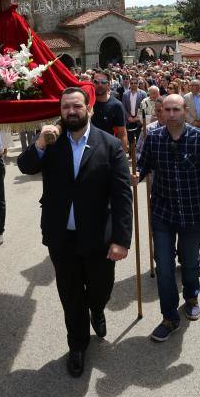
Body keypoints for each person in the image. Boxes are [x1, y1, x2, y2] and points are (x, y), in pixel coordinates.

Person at [18, 87, 132, 377]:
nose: (71, 111)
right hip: (62, 237)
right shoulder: (51, 143)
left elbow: (121, 196)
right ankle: (77, 345)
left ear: (88, 109)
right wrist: (40, 143)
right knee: (70, 295)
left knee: (100, 288)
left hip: (98, 237)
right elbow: (26, 166)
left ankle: (97, 308)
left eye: (76, 106)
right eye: (66, 107)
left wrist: (121, 240)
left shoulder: (109, 145)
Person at [136, 94, 200, 341]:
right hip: (162, 213)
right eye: (167, 110)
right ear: (161, 112)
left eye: (176, 109)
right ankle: (170, 317)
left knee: (191, 262)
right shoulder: (153, 138)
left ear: (185, 110)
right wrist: (136, 176)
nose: (171, 114)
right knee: (163, 266)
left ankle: (192, 296)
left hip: (193, 213)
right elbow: (143, 165)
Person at [91, 69, 128, 151]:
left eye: (103, 82)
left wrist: (120, 158)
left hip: (108, 151)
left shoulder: (116, 105)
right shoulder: (86, 103)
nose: (100, 85)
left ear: (108, 84)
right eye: (96, 82)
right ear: (92, 83)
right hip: (88, 151)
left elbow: (122, 134)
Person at [122, 77, 147, 146]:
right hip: (129, 120)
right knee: (130, 140)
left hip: (139, 120)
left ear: (138, 84)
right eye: (132, 83)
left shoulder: (143, 93)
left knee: (139, 139)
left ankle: (138, 155)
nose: (133, 84)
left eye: (135, 83)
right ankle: (131, 154)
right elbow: (123, 107)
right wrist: (128, 117)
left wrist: (138, 117)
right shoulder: (125, 94)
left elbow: (144, 107)